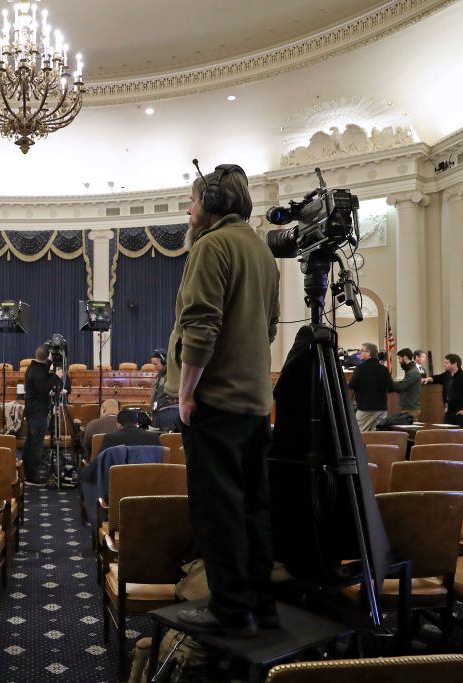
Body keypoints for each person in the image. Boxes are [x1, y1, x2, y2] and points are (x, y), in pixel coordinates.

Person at [168, 164, 280, 638]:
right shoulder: (263, 251)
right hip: (255, 403)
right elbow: (270, 327)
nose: (189, 209)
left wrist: (187, 392)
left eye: (193, 200)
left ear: (212, 202)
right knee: (254, 507)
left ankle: (230, 608)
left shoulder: (212, 245)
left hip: (215, 401)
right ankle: (261, 603)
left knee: (218, 511)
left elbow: (200, 327)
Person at [23, 345, 60, 486]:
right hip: (37, 413)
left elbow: (43, 373)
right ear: (47, 356)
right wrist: (57, 376)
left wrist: (49, 361)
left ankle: (26, 472)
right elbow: (43, 389)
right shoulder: (37, 373)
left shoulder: (33, 367)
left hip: (32, 411)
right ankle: (32, 477)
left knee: (30, 443)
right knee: (36, 445)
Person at [347, 342, 396, 431]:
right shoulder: (384, 369)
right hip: (381, 409)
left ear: (368, 353)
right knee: (377, 437)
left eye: (362, 350)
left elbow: (351, 386)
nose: (359, 352)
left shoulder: (360, 368)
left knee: (360, 436)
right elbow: (392, 387)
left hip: (365, 409)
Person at [423, 353, 463, 427]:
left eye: (446, 363)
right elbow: (436, 378)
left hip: (462, 411)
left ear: (454, 364)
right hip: (450, 411)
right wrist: (428, 379)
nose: (444, 364)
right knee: (446, 431)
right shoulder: (447, 375)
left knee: (459, 434)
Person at [149, 349, 180, 432]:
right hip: (159, 414)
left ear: (164, 361)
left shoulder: (172, 374)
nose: (153, 367)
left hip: (168, 415)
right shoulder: (160, 374)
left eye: (155, 364)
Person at [392, 348, 422, 420]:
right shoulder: (410, 371)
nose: (399, 362)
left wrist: (389, 382)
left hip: (411, 409)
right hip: (408, 407)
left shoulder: (413, 372)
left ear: (405, 357)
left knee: (409, 430)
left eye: (399, 358)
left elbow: (401, 386)